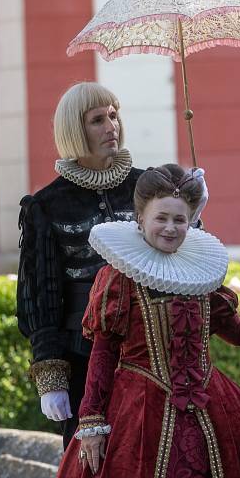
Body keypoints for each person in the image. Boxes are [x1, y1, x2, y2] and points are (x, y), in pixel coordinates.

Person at [55, 164, 240, 478]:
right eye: (161, 218)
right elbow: (103, 354)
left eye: (179, 219)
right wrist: (92, 421)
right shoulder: (119, 279)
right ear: (140, 219)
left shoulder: (201, 277)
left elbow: (235, 333)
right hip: (139, 415)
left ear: (190, 221)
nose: (170, 227)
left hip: (212, 404)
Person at [16, 82, 144, 448]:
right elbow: (39, 297)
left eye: (114, 116)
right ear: (75, 128)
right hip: (82, 357)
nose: (111, 126)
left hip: (146, 349)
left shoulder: (147, 188)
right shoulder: (47, 205)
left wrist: (190, 209)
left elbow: (175, 258)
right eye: (97, 120)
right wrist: (51, 377)